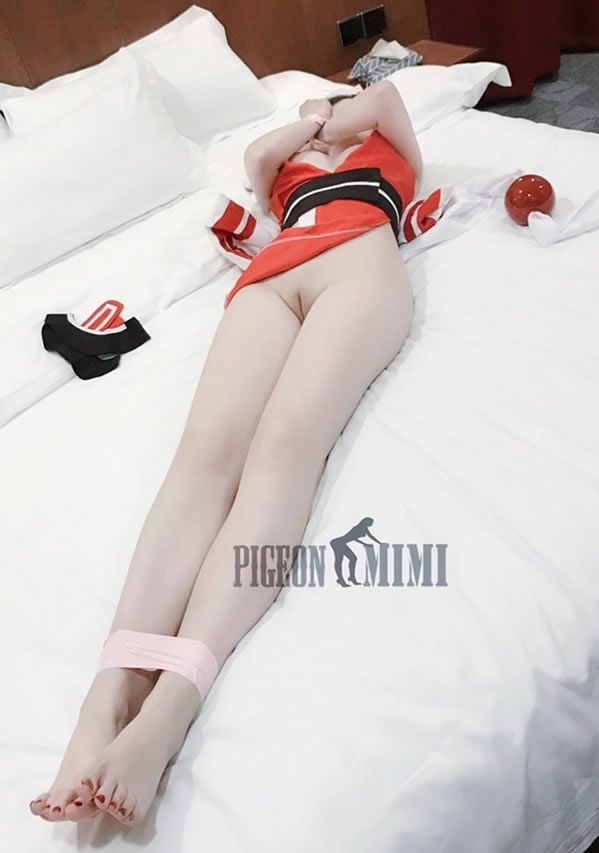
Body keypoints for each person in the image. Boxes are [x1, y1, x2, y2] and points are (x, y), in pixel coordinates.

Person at [30, 79, 422, 827]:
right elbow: (257, 157)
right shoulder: (285, 165)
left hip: (360, 265)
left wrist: (330, 119)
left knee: (283, 450)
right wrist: (305, 125)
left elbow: (387, 101)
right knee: (202, 457)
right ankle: (110, 692)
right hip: (271, 278)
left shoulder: (387, 146)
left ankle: (170, 705)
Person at [330, 517, 383, 586]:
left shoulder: (364, 528)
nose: (372, 524)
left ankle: (351, 578)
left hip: (341, 543)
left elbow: (371, 536)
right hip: (337, 543)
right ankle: (341, 579)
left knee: (353, 559)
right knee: (340, 560)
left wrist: (380, 543)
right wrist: (365, 544)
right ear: (366, 522)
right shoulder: (357, 528)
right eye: (371, 522)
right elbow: (353, 538)